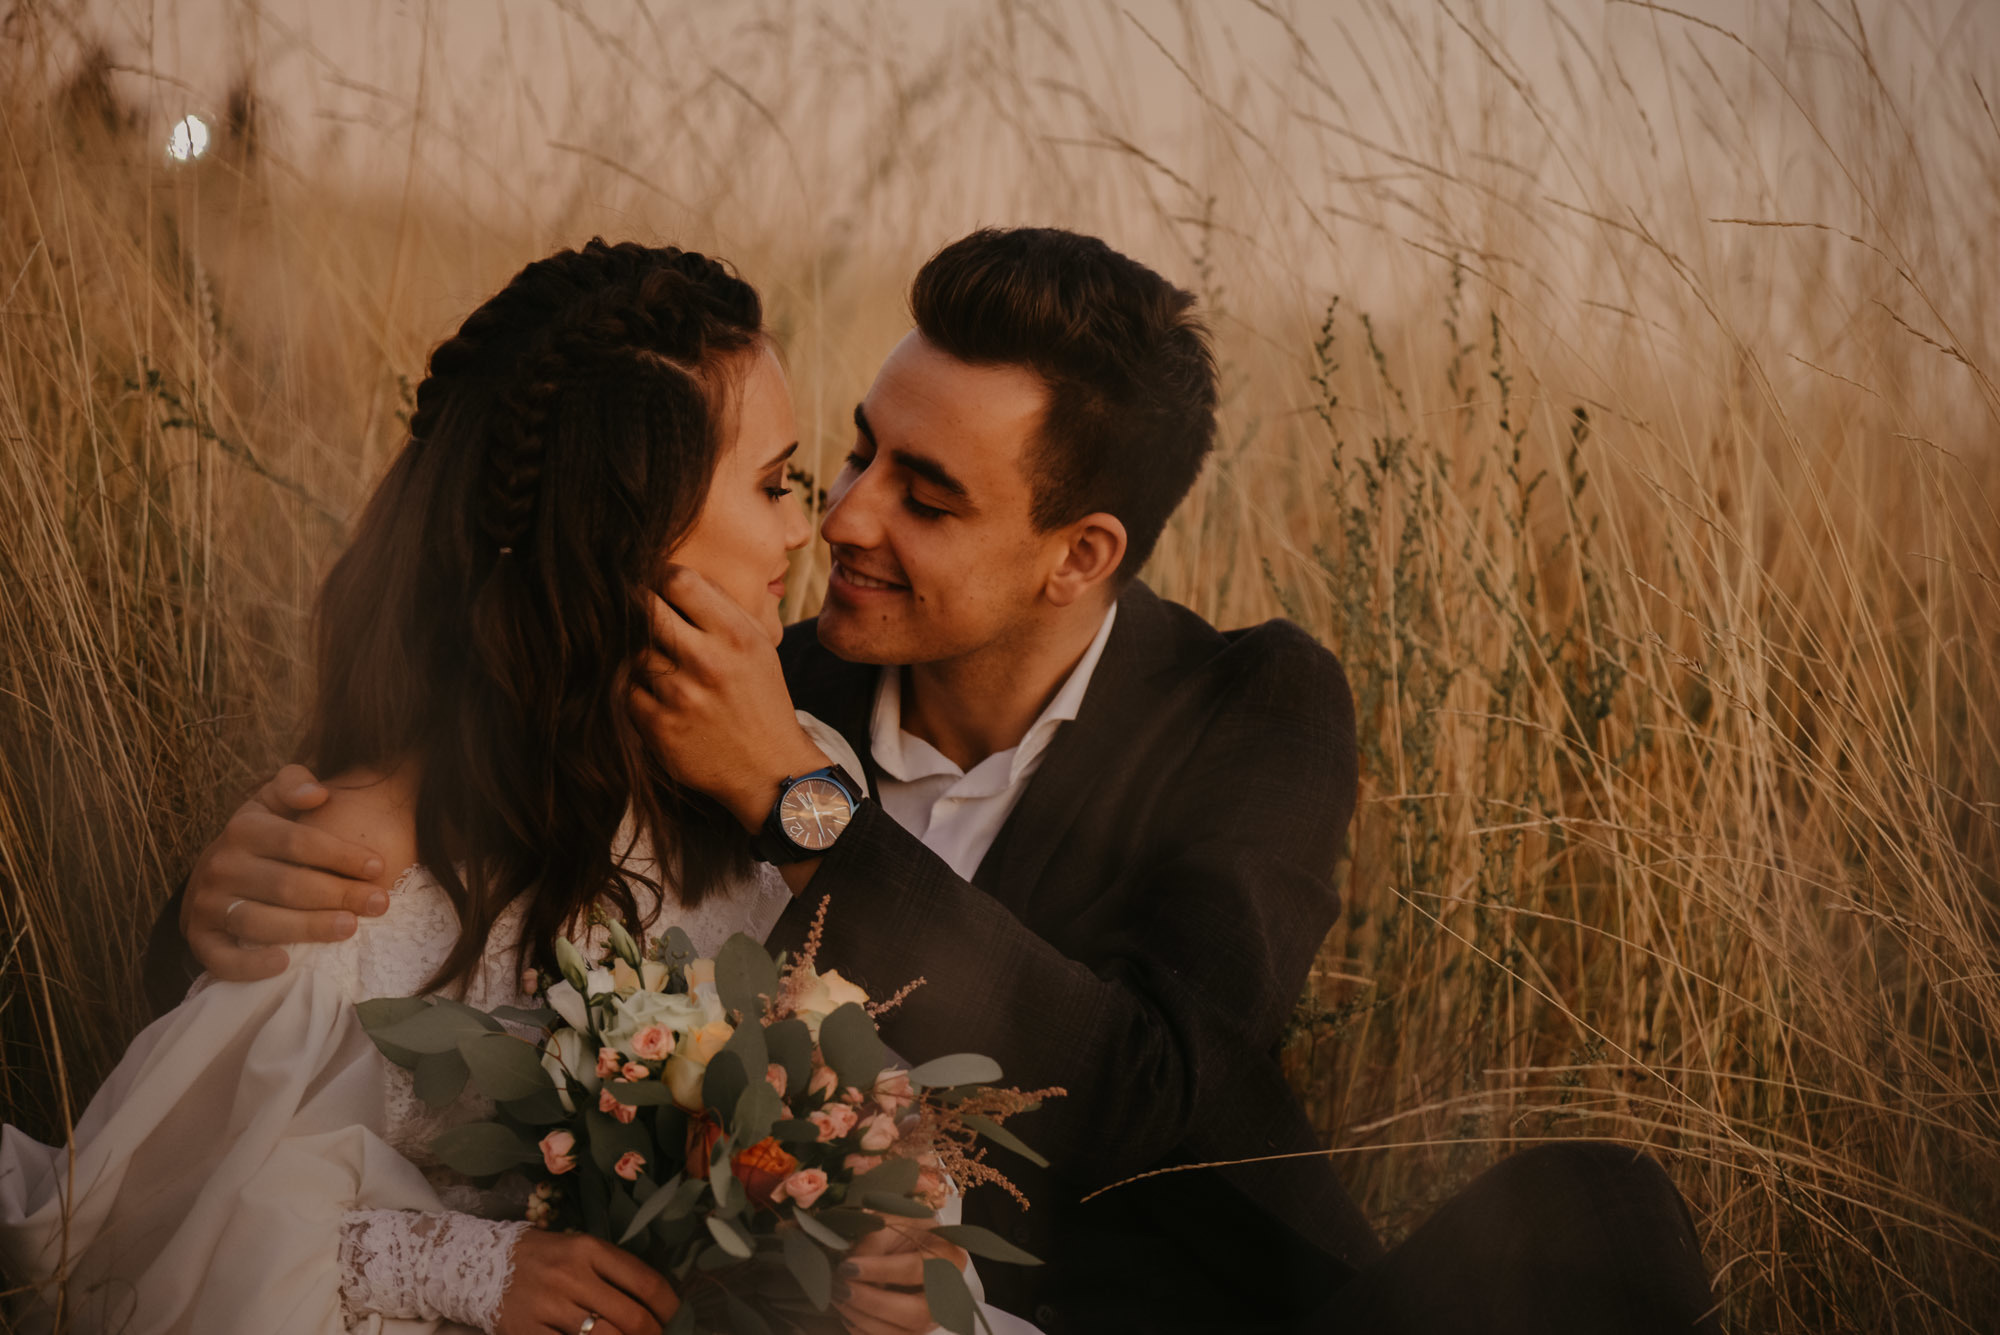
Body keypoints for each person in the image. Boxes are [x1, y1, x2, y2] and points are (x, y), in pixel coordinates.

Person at [151, 229, 1723, 1335]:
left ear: (1077, 553)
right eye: (845, 457)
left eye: (925, 492)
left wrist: (802, 804)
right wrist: (253, 868)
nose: (840, 518)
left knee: (1604, 1213)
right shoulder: (782, 676)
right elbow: (477, 803)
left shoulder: (1243, 702)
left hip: (1167, 1309)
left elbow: (1159, 1093)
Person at [3, 239, 993, 1335]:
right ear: (624, 527)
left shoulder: (799, 756)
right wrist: (462, 1267)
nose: (810, 527)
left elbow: (891, 1087)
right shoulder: (374, 873)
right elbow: (161, 1231)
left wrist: (897, 1230)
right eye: (772, 485)